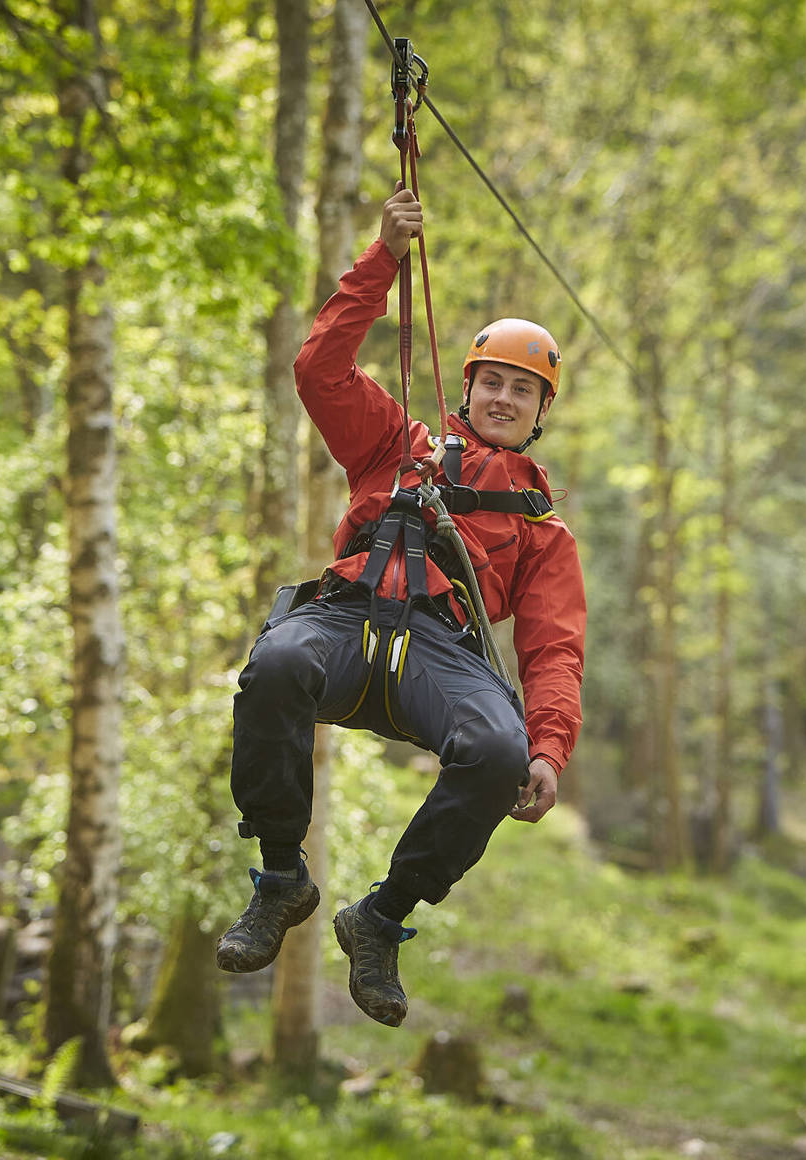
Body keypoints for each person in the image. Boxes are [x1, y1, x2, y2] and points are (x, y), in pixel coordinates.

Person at [216, 186, 586, 1028]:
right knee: (277, 662)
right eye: (491, 382)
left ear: (540, 414)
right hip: (345, 622)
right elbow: (319, 369)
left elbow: (554, 651)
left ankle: (380, 921)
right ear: (468, 388)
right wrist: (383, 255)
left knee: (498, 751)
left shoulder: (544, 535)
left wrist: (549, 749)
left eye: (521, 391)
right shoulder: (397, 444)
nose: (502, 399)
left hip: (442, 655)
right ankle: (282, 879)